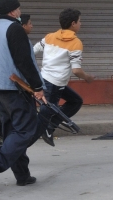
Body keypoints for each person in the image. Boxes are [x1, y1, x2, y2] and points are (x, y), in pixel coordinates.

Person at [0, 0, 45, 189]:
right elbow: (23, 61)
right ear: (12, 12)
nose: (20, 12)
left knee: (12, 133)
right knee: (26, 130)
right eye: (18, 9)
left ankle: (23, 175)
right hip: (16, 88)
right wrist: (37, 87)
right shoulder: (14, 29)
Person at [33, 8, 95, 146]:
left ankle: (48, 126)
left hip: (46, 79)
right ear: (73, 23)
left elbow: (33, 51)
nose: (81, 24)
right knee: (48, 111)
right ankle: (40, 132)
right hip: (55, 83)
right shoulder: (75, 43)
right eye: (80, 21)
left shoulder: (50, 37)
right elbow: (76, 70)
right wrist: (87, 77)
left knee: (75, 101)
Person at [0, 14, 34, 146]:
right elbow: (25, 63)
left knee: (5, 116)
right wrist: (36, 85)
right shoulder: (15, 38)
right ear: (23, 26)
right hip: (13, 86)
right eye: (30, 23)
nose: (32, 26)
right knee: (22, 125)